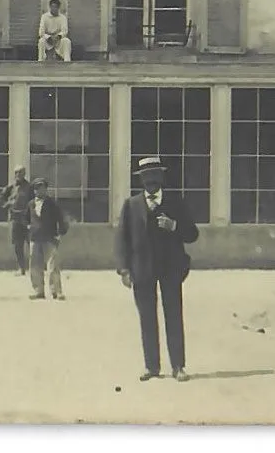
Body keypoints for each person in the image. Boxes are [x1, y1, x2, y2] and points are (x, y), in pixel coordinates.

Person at [115, 156, 198, 382]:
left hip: (171, 269)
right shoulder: (131, 205)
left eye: (154, 175)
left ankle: (178, 366)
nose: (151, 181)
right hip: (142, 270)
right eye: (146, 177)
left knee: (173, 315)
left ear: (161, 177)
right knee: (147, 318)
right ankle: (152, 366)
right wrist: (124, 269)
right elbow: (122, 240)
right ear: (140, 180)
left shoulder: (175, 202)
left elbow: (193, 234)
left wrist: (175, 226)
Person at [27, 177, 70, 300]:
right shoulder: (30, 204)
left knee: (53, 265)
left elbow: (61, 219)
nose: (39, 191)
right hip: (35, 238)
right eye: (36, 188)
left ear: (46, 189)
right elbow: (25, 219)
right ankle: (38, 290)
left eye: (42, 188)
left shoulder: (52, 204)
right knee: (35, 265)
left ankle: (56, 291)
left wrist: (60, 233)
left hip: (49, 237)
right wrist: (28, 229)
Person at [0, 166, 35, 274]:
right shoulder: (10, 187)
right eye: (16, 173)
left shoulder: (30, 187)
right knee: (17, 245)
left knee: (32, 244)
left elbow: (35, 201)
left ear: (24, 173)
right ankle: (21, 268)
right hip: (15, 219)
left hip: (27, 220)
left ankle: (34, 268)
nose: (18, 175)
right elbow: (0, 198)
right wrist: (7, 204)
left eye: (20, 172)